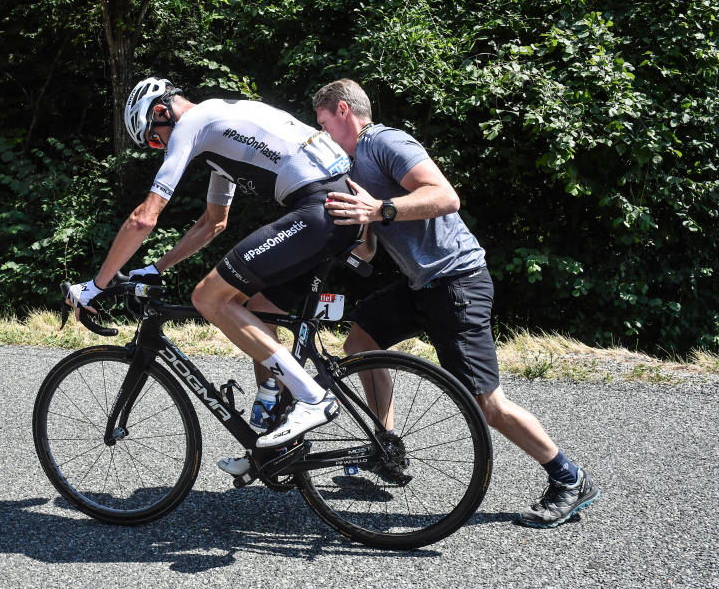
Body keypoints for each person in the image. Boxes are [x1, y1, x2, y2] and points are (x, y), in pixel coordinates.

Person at [313, 78, 600, 529]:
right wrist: (342, 243)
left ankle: (569, 477)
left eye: (324, 122)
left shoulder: (386, 142)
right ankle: (388, 445)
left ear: (344, 112)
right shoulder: (353, 166)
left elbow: (445, 196)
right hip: (420, 286)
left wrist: (380, 210)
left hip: (458, 282)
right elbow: (367, 247)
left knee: (487, 404)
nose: (322, 132)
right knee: (360, 343)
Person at [65, 77, 359, 461]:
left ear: (160, 113)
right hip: (341, 208)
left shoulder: (193, 124)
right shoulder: (221, 137)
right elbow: (212, 223)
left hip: (321, 208)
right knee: (255, 310)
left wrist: (95, 286)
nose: (160, 148)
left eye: (155, 139)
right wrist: (156, 267)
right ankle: (274, 445)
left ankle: (312, 397)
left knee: (208, 296)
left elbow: (144, 218)